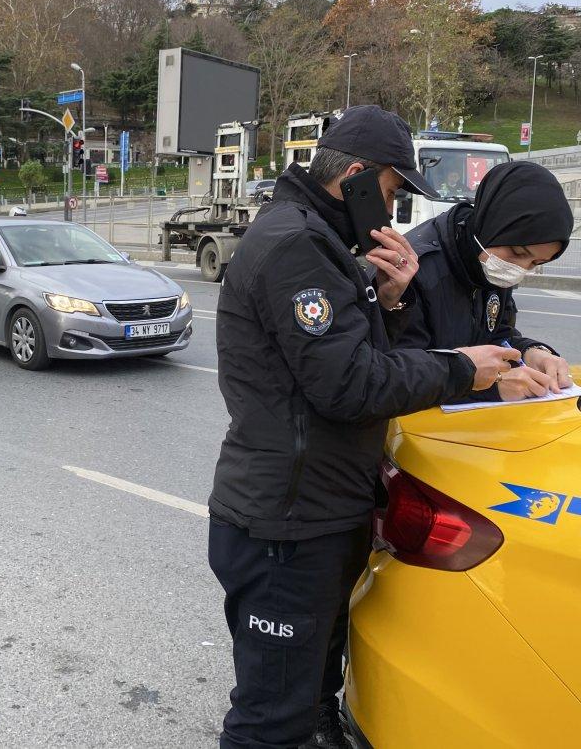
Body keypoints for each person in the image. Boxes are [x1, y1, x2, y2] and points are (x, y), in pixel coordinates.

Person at [209, 105, 517, 749]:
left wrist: (393, 298)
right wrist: (461, 370)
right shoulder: (298, 246)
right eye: (390, 190)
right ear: (352, 175)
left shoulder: (321, 242)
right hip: (286, 527)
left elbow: (351, 360)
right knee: (271, 722)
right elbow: (348, 386)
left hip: (315, 509)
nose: (392, 209)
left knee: (308, 697)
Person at [398, 161, 575, 400]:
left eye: (535, 263)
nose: (519, 269)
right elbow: (398, 375)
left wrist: (531, 352)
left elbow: (498, 334)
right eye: (518, 252)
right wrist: (493, 386)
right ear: (492, 224)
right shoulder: (414, 267)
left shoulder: (487, 261)